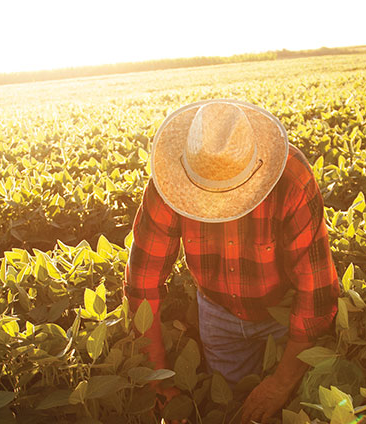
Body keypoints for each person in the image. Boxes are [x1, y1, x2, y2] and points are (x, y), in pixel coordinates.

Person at [124, 99, 339, 423]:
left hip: (284, 310)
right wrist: (159, 382)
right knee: (232, 408)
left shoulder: (291, 178)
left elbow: (316, 294)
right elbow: (143, 283)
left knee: (291, 404)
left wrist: (282, 382)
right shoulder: (168, 184)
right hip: (216, 311)